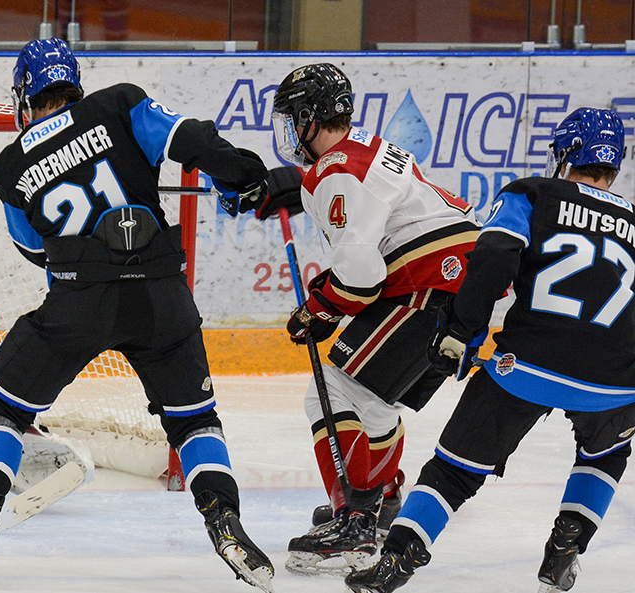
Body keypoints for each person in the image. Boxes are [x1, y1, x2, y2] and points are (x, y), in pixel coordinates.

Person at [0, 38, 274, 591]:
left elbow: (38, 251)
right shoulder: (120, 104)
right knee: (193, 420)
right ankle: (227, 522)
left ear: (25, 95)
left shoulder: (10, 167)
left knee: (3, 404)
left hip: (80, 300)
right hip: (163, 295)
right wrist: (242, 175)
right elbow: (192, 141)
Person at [346, 108, 634, 593]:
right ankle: (566, 544)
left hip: (530, 363)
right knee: (606, 452)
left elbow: (493, 256)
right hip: (616, 379)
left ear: (564, 154)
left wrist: (462, 330)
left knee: (455, 470)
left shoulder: (533, 193)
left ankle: (396, 561)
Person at [255, 63, 479, 574]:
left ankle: (353, 523)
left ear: (311, 118)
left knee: (331, 390)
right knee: (375, 400)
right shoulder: (366, 146)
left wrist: (318, 308)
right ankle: (379, 504)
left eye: (293, 119)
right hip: (458, 287)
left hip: (428, 285)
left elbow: (359, 278)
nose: (289, 131)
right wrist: (295, 186)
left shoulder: (337, 171)